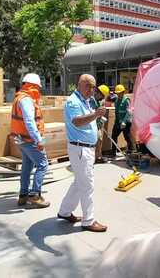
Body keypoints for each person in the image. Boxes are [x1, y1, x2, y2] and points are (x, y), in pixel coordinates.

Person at [58, 74, 108, 232]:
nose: (92, 90)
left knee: (79, 183)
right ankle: (88, 221)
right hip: (80, 149)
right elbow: (77, 122)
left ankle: (65, 211)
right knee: (87, 185)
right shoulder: (73, 101)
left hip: (84, 148)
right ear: (79, 85)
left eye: (93, 87)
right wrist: (95, 114)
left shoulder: (84, 101)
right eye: (88, 86)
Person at [11, 73, 50, 209]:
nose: (39, 90)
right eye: (38, 87)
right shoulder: (26, 100)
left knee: (27, 166)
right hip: (30, 139)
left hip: (22, 139)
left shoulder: (19, 97)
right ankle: (35, 195)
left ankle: (23, 195)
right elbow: (29, 121)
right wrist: (39, 140)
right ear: (33, 86)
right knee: (43, 165)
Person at [111, 84, 135, 156]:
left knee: (127, 137)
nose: (118, 94)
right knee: (114, 136)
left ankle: (132, 151)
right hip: (118, 122)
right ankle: (113, 152)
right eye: (117, 93)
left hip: (126, 122)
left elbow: (129, 112)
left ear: (123, 92)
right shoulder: (117, 100)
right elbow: (117, 112)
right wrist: (117, 122)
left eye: (120, 93)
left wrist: (124, 122)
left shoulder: (126, 100)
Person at [93, 85, 111, 161]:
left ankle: (98, 156)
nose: (102, 98)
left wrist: (101, 119)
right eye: (102, 96)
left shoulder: (98, 101)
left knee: (99, 140)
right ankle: (93, 158)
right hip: (92, 125)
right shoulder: (91, 100)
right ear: (99, 93)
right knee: (95, 141)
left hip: (98, 124)